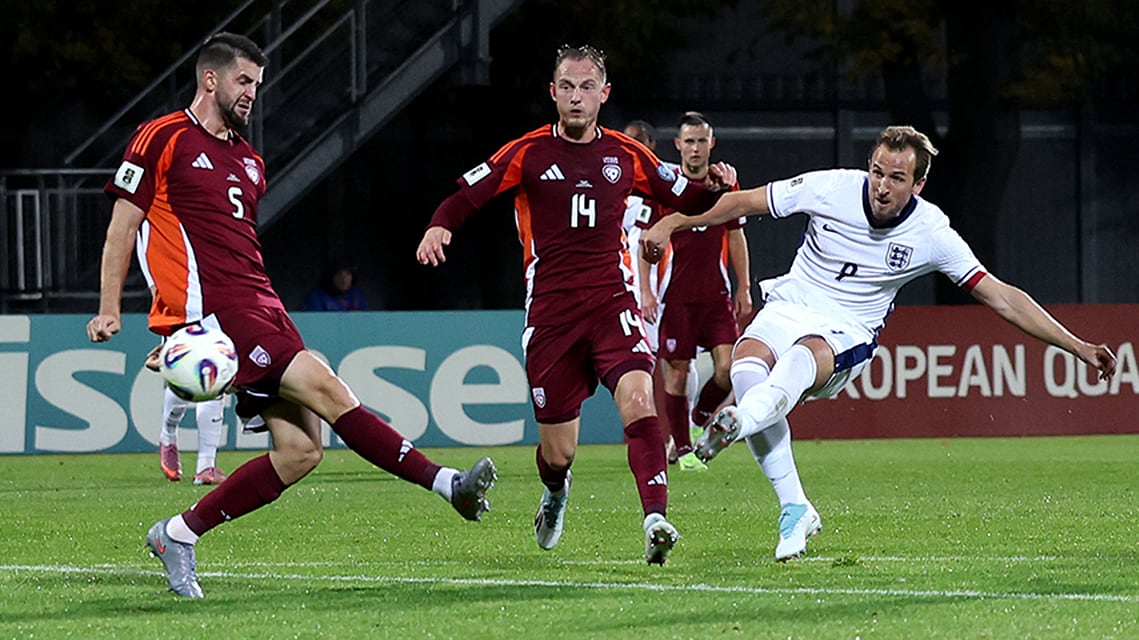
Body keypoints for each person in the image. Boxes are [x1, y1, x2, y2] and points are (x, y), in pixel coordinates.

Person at [87, 32, 496, 598]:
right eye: (243, 80)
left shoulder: (250, 162)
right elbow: (124, 229)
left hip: (264, 304)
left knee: (301, 452)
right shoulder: (163, 137)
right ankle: (448, 484)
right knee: (328, 388)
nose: (252, 92)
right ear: (210, 78)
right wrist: (120, 310)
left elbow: (231, 243)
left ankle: (177, 534)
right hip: (220, 315)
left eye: (257, 83)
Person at [641, 125, 1117, 561]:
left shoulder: (931, 232)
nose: (882, 186)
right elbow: (743, 203)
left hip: (846, 329)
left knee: (798, 362)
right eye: (876, 172)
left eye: (896, 178)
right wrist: (672, 223)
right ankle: (795, 507)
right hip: (792, 302)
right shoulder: (830, 187)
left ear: (918, 185)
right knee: (746, 371)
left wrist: (1077, 346)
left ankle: (739, 423)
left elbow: (1003, 297)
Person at [416, 44, 737, 564]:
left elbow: (685, 198)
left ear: (604, 94)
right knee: (559, 452)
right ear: (553, 92)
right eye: (567, 86)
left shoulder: (627, 155)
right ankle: (556, 492)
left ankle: (655, 518)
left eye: (587, 87)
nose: (576, 97)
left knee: (639, 399)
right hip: (551, 316)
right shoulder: (527, 152)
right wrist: (439, 225)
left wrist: (713, 188)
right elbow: (467, 194)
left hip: (612, 303)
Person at [636, 112, 752, 472]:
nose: (696, 148)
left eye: (702, 141)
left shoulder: (725, 184)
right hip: (675, 298)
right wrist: (646, 290)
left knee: (729, 368)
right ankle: (684, 449)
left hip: (716, 296)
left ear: (711, 144)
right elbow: (647, 240)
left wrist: (744, 286)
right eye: (689, 141)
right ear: (678, 145)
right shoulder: (665, 186)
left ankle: (700, 416)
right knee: (677, 373)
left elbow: (736, 235)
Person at [145, 344, 228, 485]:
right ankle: (168, 436)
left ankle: (206, 466)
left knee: (213, 377)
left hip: (215, 330)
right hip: (179, 330)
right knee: (182, 374)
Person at [302, 259, 368, 311]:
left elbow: (366, 318)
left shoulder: (357, 295)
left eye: (348, 274)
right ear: (331, 277)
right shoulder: (317, 296)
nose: (344, 279)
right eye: (339, 274)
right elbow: (314, 320)